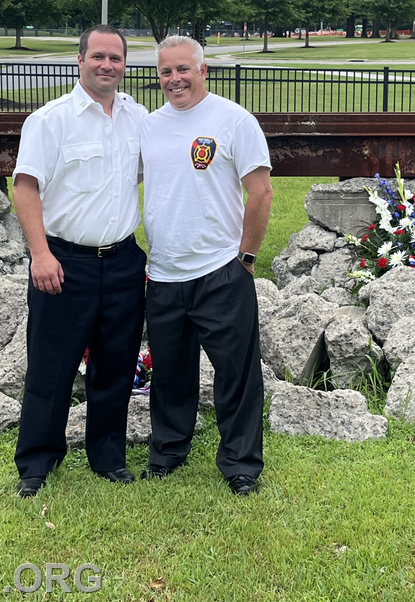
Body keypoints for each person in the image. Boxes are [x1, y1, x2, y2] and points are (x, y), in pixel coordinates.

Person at [11, 25, 147, 498]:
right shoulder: (50, 121)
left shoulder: (138, 117)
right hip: (64, 262)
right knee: (52, 366)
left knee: (116, 364)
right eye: (98, 56)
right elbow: (25, 187)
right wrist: (40, 254)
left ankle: (108, 456)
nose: (106, 65)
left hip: (125, 261)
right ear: (80, 59)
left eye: (115, 58)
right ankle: (37, 462)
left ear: (124, 64)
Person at [139, 35, 273, 496]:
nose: (174, 79)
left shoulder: (233, 120)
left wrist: (246, 259)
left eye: (183, 69)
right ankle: (168, 452)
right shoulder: (148, 126)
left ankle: (240, 465)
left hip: (221, 270)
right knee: (171, 373)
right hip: (164, 272)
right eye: (165, 72)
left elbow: (261, 192)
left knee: (236, 373)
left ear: (203, 70)